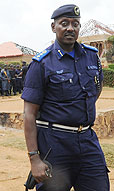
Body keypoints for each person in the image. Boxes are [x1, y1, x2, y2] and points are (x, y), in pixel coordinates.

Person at [21, 4, 109, 191]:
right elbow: (29, 114)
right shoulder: (42, 64)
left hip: (87, 141)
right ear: (54, 27)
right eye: (64, 23)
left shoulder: (92, 57)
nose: (70, 28)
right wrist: (34, 159)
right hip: (55, 145)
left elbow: (96, 89)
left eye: (75, 24)